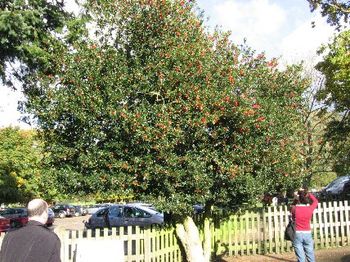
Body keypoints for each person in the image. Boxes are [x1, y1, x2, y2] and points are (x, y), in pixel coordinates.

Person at [291, 189, 318, 262]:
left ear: (298, 199)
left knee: (300, 257)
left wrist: (296, 198)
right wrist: (308, 193)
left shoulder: (294, 209)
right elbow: (315, 201)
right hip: (307, 233)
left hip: (297, 234)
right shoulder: (310, 208)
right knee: (310, 254)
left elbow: (292, 206)